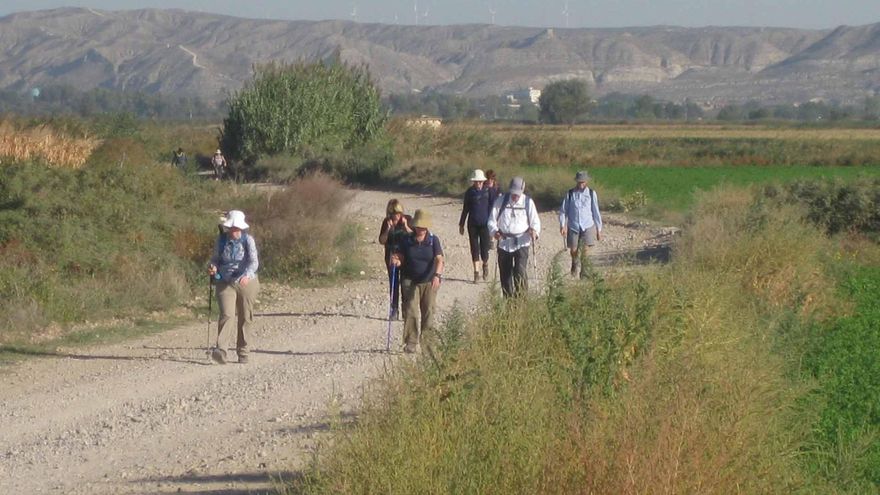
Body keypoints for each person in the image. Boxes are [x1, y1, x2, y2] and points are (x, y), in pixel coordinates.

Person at [207, 210, 260, 364]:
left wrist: (247, 275)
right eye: (232, 228)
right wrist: (213, 267)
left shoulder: (248, 240)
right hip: (225, 280)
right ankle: (221, 350)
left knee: (245, 315)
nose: (234, 231)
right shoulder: (221, 240)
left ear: (242, 228)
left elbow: (254, 262)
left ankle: (243, 352)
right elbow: (215, 259)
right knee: (227, 314)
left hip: (246, 282)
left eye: (237, 228)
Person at [390, 209, 444, 354]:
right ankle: (411, 342)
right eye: (419, 226)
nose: (421, 229)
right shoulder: (406, 240)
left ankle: (427, 344)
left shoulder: (433, 240)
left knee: (429, 312)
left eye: (423, 227)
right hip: (410, 280)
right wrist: (396, 261)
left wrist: (437, 275)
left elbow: (439, 259)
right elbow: (400, 257)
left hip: (429, 281)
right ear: (414, 226)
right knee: (411, 312)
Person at [488, 177, 541, 298]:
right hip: (504, 243)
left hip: (522, 242)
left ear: (522, 191)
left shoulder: (528, 202)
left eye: (517, 194)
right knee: (505, 275)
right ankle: (508, 302)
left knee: (520, 272)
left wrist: (534, 232)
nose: (515, 196)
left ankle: (521, 301)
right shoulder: (501, 201)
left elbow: (535, 222)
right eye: (513, 193)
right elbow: (491, 220)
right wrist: (494, 231)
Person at [559, 171, 602, 277]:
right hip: (573, 225)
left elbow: (595, 211)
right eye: (579, 182)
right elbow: (564, 211)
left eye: (583, 182)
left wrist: (598, 229)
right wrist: (562, 225)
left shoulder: (592, 194)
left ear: (586, 182)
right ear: (576, 182)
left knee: (585, 250)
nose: (581, 184)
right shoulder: (570, 194)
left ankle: (584, 271)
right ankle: (574, 262)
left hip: (588, 225)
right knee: (573, 250)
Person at [378, 199, 413, 320]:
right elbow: (382, 240)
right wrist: (388, 229)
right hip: (391, 256)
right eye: (393, 214)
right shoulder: (386, 222)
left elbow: (414, 237)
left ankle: (405, 309)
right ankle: (394, 309)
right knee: (393, 284)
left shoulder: (407, 219)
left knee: (405, 283)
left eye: (398, 213)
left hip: (405, 257)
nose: (396, 216)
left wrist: (406, 226)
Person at [459, 169, 493, 283]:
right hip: (472, 224)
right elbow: (465, 209)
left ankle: (485, 264)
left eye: (479, 181)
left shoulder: (488, 192)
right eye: (476, 181)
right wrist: (461, 224)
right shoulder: (469, 192)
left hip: (485, 224)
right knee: (474, 248)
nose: (478, 183)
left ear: (483, 181)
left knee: (485, 248)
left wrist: (494, 223)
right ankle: (476, 273)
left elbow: (492, 209)